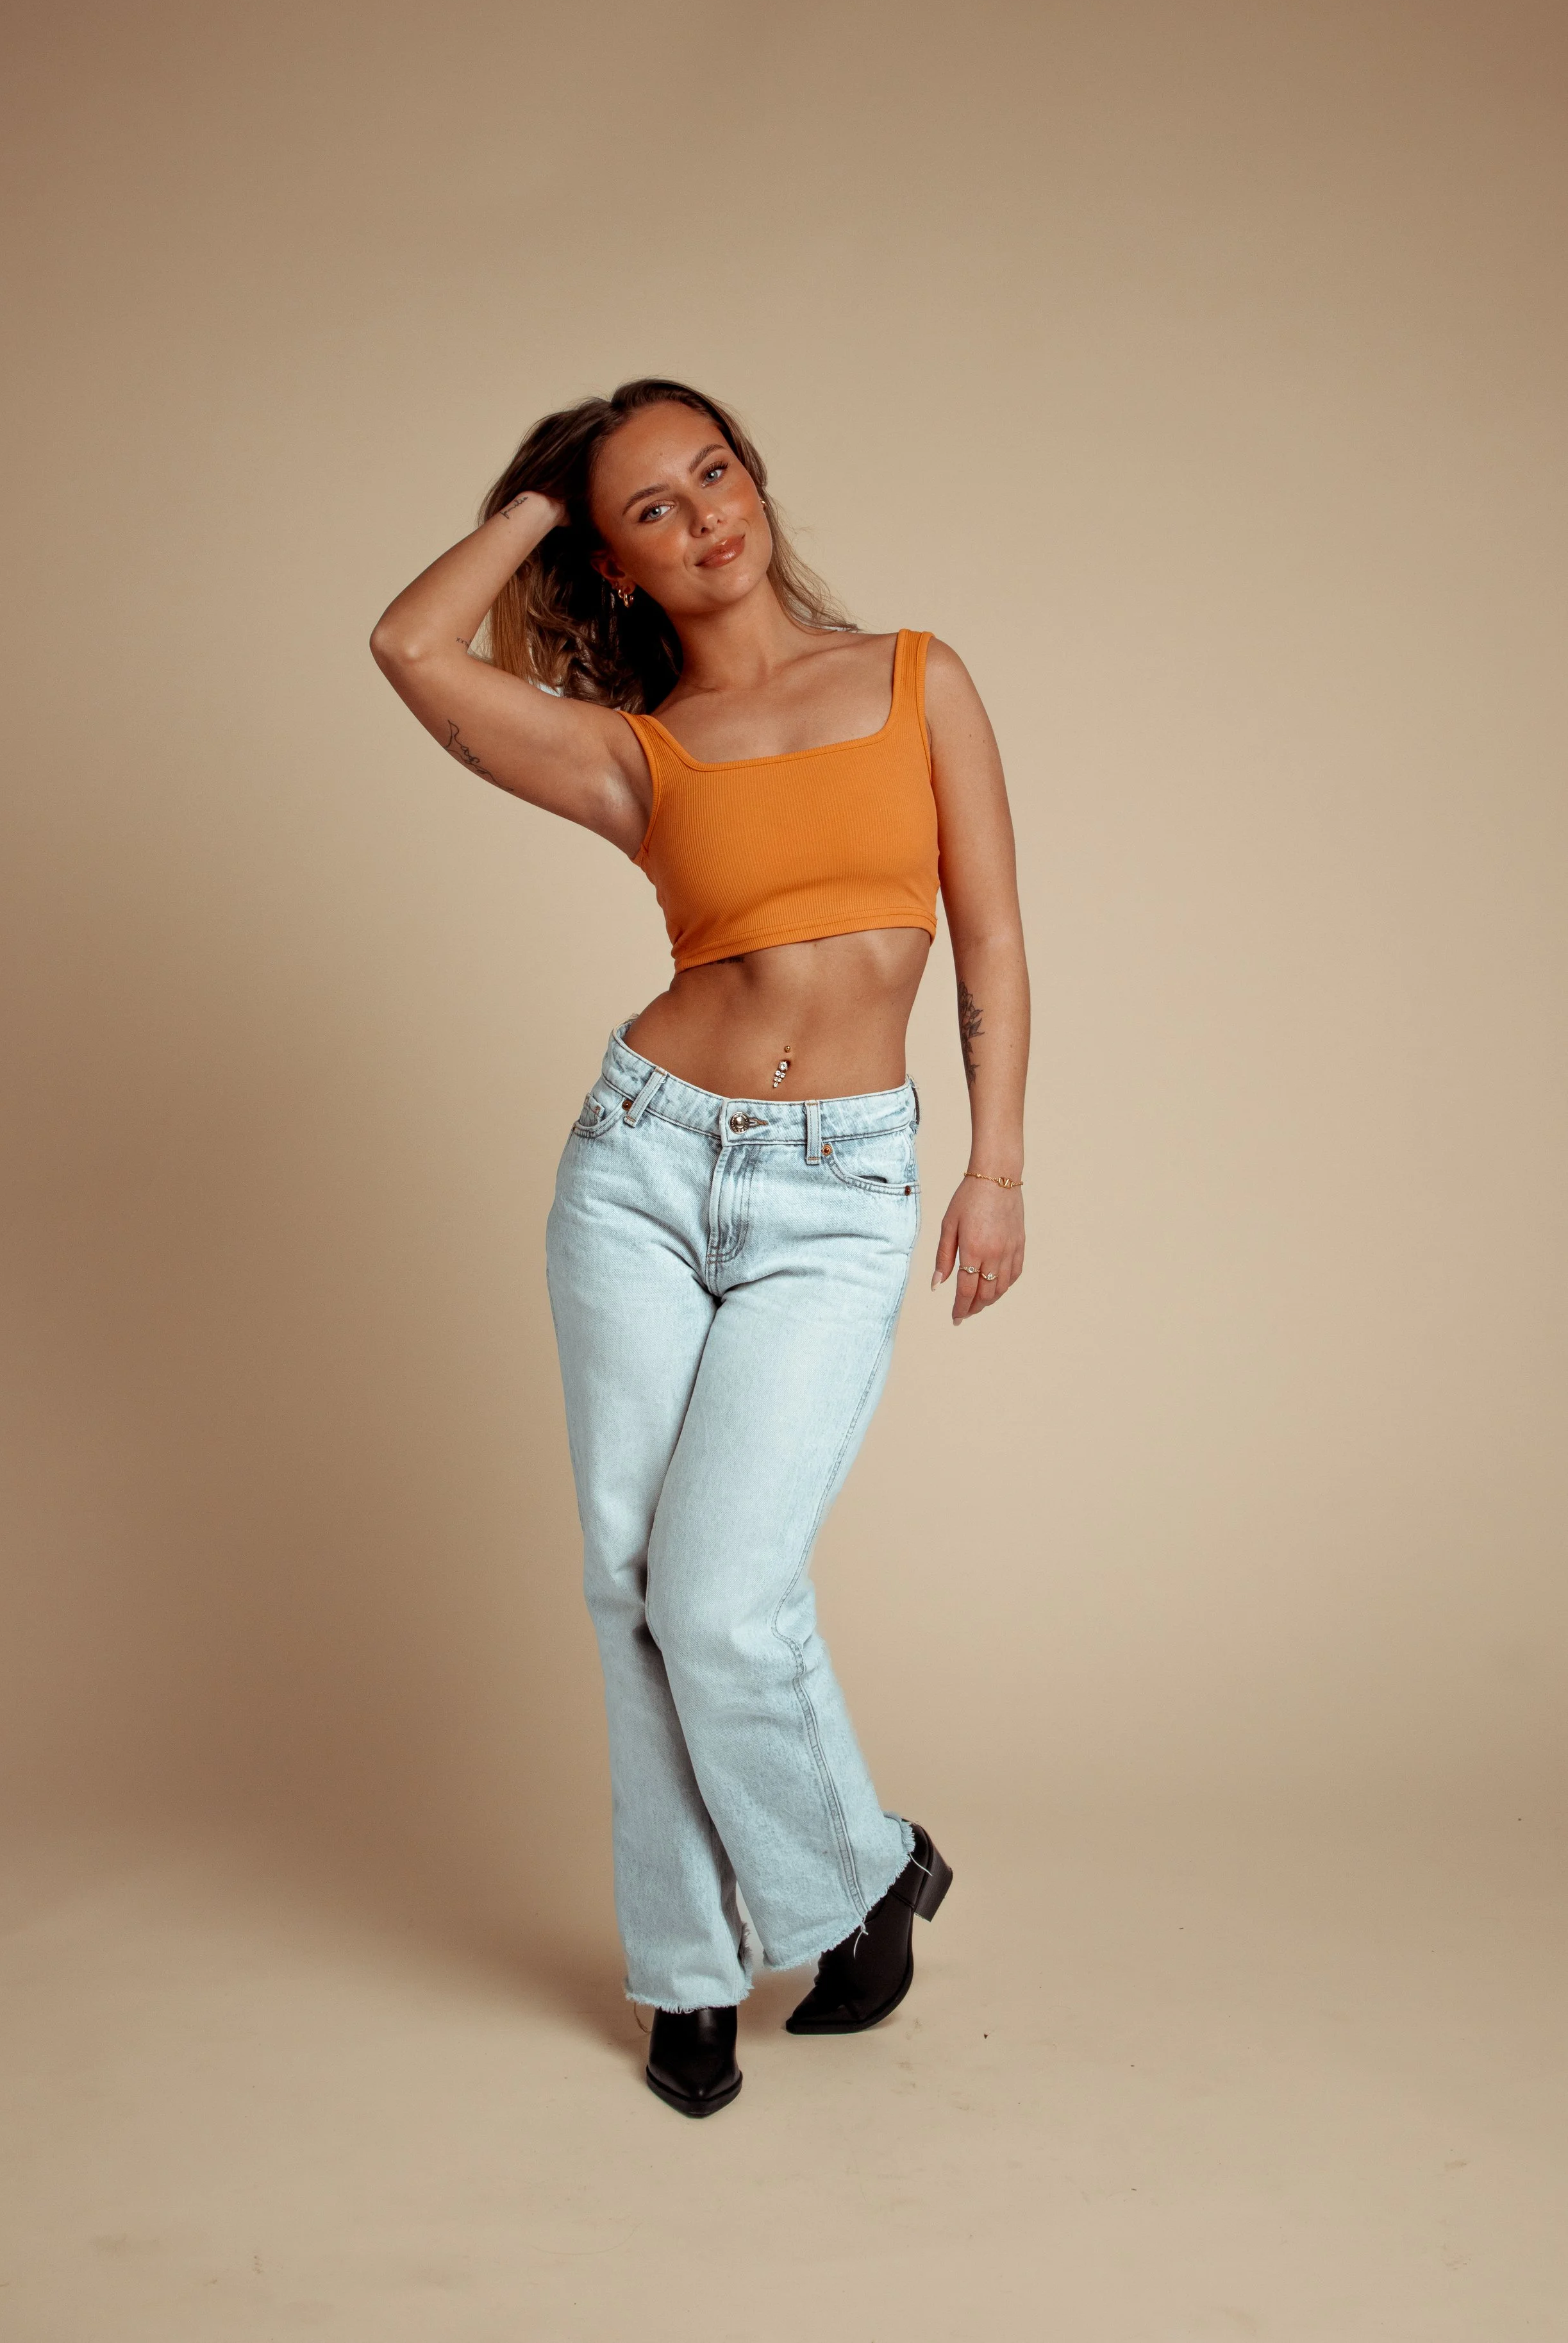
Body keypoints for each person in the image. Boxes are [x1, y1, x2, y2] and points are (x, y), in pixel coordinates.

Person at [369, 379, 1028, 2117]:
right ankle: (683, 1972)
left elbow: (995, 938)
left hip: (838, 1190)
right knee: (627, 1584)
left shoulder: (913, 677)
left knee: (718, 1588)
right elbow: (413, 646)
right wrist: (533, 495)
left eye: (711, 473)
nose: (703, 517)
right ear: (617, 559)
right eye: (650, 508)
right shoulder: (630, 750)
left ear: (754, 478)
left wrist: (997, 1163)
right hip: (642, 1165)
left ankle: (858, 1878)